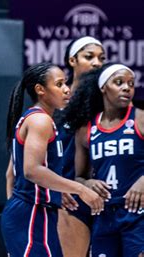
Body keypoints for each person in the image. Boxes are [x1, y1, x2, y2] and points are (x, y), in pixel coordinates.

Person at [1, 62, 103, 257]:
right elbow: (32, 170)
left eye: (65, 83)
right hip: (30, 214)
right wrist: (80, 189)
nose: (66, 89)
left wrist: (54, 190)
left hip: (36, 213)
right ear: (40, 90)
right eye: (59, 84)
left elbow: (11, 174)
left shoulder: (39, 119)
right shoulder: (40, 120)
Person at [62, 64, 144, 257]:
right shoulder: (86, 129)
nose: (126, 88)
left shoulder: (140, 118)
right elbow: (78, 177)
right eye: (119, 82)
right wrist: (88, 183)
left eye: (131, 84)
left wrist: (142, 181)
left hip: (137, 213)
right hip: (104, 214)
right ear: (103, 88)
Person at [56, 36, 105, 257]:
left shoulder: (107, 104)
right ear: (72, 60)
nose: (96, 63)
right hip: (66, 198)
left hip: (103, 196)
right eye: (89, 57)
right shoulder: (54, 102)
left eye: (101, 58)